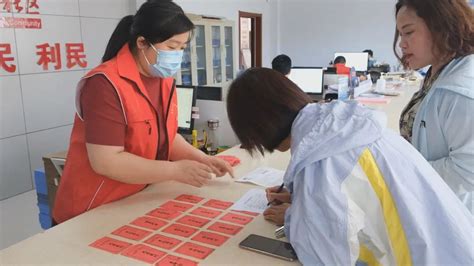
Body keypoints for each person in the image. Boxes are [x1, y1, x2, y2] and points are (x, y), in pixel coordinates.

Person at [226, 68, 472, 265]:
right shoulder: (336, 128)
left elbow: (327, 250)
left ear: (258, 128)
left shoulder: (322, 161)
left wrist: (294, 217)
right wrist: (304, 197)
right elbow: (356, 194)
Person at [53, 0, 233, 224]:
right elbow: (106, 161)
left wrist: (204, 160)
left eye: (182, 48)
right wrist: (174, 170)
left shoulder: (163, 79)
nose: (178, 55)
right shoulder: (104, 84)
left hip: (133, 200)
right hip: (91, 209)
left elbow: (167, 137)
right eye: (172, 46)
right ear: (142, 42)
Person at [395, 0, 474, 212]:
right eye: (400, 35)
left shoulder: (461, 91)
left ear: (441, 26)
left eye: (408, 32)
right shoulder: (438, 72)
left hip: (455, 215)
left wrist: (403, 172)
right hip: (432, 203)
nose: (401, 44)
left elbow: (468, 171)